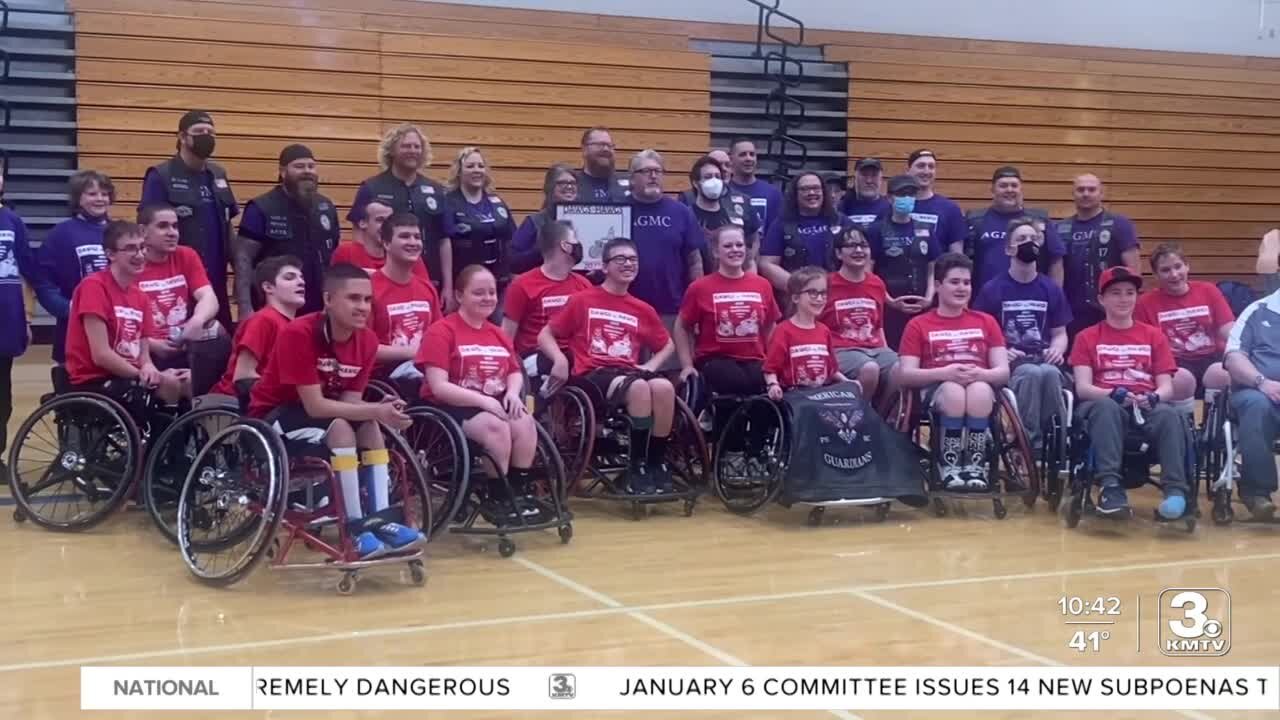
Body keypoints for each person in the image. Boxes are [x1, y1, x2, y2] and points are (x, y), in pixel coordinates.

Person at [247, 263, 421, 558]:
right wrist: (375, 410)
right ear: (328, 300)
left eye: (367, 300)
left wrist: (379, 410)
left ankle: (381, 524)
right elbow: (314, 406)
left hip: (325, 415)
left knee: (369, 425)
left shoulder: (366, 340)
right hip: (273, 417)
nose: (363, 307)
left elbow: (351, 401)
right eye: (353, 298)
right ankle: (355, 530)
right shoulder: (298, 333)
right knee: (343, 426)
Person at [538, 237, 678, 494]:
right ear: (605, 267)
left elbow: (668, 344)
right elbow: (545, 335)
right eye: (620, 259)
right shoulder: (582, 300)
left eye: (633, 259)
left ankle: (656, 463)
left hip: (628, 372)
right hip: (592, 375)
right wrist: (559, 359)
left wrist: (651, 365)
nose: (628, 264)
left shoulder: (642, 308)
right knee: (638, 389)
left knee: (664, 387)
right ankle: (636, 467)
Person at [418, 265, 540, 522]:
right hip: (451, 403)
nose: (487, 298)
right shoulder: (441, 331)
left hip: (494, 400)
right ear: (460, 296)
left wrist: (514, 394)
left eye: (492, 292)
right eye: (479, 292)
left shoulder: (497, 333)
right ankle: (497, 497)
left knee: (525, 423)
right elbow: (439, 385)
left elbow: (514, 371)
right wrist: (483, 401)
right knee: (496, 427)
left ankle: (517, 493)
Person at [1069, 266, 1188, 519]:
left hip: (1146, 406)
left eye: (1130, 293)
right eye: (1115, 293)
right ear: (1102, 299)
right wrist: (1114, 394)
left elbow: (1166, 386)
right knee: (1106, 407)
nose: (1124, 299)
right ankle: (1110, 487)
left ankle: (1176, 491)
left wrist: (1154, 397)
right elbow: (1083, 388)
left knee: (1169, 415)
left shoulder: (1153, 335)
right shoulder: (1086, 337)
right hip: (1103, 405)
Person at [898, 254, 1010, 491]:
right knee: (953, 391)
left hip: (980, 385)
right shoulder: (918, 325)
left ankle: (975, 464)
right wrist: (944, 373)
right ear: (938, 285)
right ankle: (948, 464)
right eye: (954, 282)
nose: (962, 288)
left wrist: (980, 374)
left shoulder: (986, 321)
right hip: (937, 389)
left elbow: (1002, 372)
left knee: (979, 390)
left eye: (966, 283)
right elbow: (906, 374)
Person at [973, 217, 1071, 451]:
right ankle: (1029, 444)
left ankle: (1055, 443)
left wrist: (1058, 348)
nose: (1029, 243)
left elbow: (1060, 333)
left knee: (1047, 373)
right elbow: (979, 335)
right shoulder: (992, 289)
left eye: (1034, 239)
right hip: (1011, 363)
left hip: (1043, 359)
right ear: (1009, 249)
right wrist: (1000, 352)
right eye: (1022, 239)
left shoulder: (1050, 288)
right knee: (1030, 373)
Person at [64, 220, 188, 404]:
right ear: (110, 254)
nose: (139, 255)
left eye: (142, 247)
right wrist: (141, 374)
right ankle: (164, 432)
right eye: (130, 249)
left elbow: (143, 354)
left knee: (188, 381)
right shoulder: (93, 287)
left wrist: (150, 369)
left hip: (129, 376)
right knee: (168, 385)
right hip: (95, 380)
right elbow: (101, 355)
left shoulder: (140, 296)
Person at [140, 110, 237, 330]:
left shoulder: (218, 174)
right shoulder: (160, 175)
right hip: (176, 283)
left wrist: (239, 273)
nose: (206, 136)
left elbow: (228, 226)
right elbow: (148, 229)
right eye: (199, 131)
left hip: (215, 280)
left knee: (218, 346)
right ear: (182, 137)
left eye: (210, 132)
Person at [234, 144, 340, 316]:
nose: (307, 171)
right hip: (275, 310)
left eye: (311, 166)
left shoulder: (326, 207)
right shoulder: (261, 207)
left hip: (319, 309)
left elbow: (333, 256)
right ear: (283, 172)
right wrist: (245, 308)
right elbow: (243, 260)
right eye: (299, 166)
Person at [675, 225, 779, 397]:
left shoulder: (762, 285)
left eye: (739, 245)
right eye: (728, 246)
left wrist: (773, 363)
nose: (735, 250)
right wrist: (687, 365)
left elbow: (770, 326)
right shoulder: (700, 287)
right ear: (716, 252)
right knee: (736, 382)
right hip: (716, 360)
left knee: (763, 389)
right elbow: (682, 327)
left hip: (755, 359)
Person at [349, 124, 448, 293]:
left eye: (417, 147)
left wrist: (448, 286)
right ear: (392, 150)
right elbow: (359, 235)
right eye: (406, 146)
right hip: (386, 279)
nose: (413, 151)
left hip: (430, 279)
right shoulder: (371, 187)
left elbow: (444, 240)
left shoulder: (436, 190)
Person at [1134, 244, 1233, 404]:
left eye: (1178, 266)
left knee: (1221, 373)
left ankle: (1213, 425)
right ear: (1156, 274)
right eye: (1165, 270)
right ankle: (1185, 425)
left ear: (1187, 266)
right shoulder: (1145, 303)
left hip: (1211, 356)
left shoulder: (1208, 290)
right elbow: (1145, 344)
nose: (1174, 274)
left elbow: (1227, 328)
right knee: (1180, 379)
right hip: (1173, 362)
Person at [36, 170, 113, 365]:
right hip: (74, 330)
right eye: (92, 193)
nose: (100, 199)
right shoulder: (60, 234)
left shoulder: (120, 231)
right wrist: (68, 309)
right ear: (78, 198)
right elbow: (44, 282)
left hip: (117, 327)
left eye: (104, 194)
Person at [209, 255, 306, 407]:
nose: (301, 282)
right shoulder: (263, 320)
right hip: (234, 405)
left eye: (301, 277)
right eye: (289, 278)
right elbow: (244, 377)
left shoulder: (296, 326)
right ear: (268, 287)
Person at [136, 203, 220, 372]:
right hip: (144, 349)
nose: (172, 233)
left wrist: (197, 320)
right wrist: (151, 345)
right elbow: (119, 324)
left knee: (218, 331)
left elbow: (208, 297)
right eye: (162, 226)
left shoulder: (186, 255)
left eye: (175, 226)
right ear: (143, 232)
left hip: (182, 340)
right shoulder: (132, 262)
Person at [501, 220, 591, 374]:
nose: (579, 246)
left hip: (574, 354)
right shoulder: (522, 285)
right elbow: (506, 336)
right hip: (534, 357)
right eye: (575, 241)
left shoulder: (584, 285)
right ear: (565, 246)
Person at [627, 149, 705, 325]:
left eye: (658, 171)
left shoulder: (681, 212)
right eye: (646, 171)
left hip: (672, 310)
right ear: (632, 178)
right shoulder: (618, 210)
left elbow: (695, 262)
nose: (653, 176)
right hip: (626, 309)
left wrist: (696, 303)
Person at [1058, 174, 1141, 336]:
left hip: (1108, 311)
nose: (1086, 193)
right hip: (1071, 312)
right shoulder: (1060, 228)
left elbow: (1134, 270)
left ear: (1101, 193)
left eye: (1092, 189)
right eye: (1080, 189)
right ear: (1073, 194)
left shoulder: (1119, 224)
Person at [820, 227, 898, 402]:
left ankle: (881, 417)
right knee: (869, 368)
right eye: (851, 246)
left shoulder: (877, 283)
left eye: (863, 245)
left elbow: (879, 327)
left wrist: (887, 350)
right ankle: (859, 417)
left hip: (875, 348)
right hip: (840, 350)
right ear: (839, 254)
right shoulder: (826, 283)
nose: (859, 250)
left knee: (901, 368)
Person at [864, 174, 941, 349]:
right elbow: (869, 272)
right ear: (890, 198)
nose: (907, 198)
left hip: (922, 303)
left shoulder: (925, 228)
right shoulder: (877, 230)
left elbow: (932, 267)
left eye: (911, 194)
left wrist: (929, 297)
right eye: (902, 194)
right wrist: (889, 300)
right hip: (889, 306)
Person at [1224, 284, 1280, 520]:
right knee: (1256, 405)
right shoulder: (1257, 311)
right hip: (1259, 391)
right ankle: (1257, 493)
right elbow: (1233, 358)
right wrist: (1262, 382)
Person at [964, 166, 1065, 290]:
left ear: (1021, 189)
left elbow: (1056, 260)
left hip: (1031, 298)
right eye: (1003, 186)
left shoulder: (1040, 220)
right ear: (992, 190)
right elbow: (963, 262)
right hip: (986, 299)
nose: (1009, 190)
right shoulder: (975, 220)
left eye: (1014, 185)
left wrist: (1055, 295)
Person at [371, 214, 442, 390]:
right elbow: (363, 348)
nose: (413, 242)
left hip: (424, 369)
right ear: (386, 243)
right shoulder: (368, 289)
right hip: (384, 377)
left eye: (417, 237)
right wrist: (417, 353)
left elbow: (440, 336)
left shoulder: (426, 288)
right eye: (404, 236)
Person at [0, 170, 39, 485]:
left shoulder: (13, 221)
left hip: (6, 321)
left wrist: (27, 317)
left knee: (2, 396)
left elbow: (28, 272)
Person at [442, 147, 513, 307]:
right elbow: (444, 244)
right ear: (459, 171)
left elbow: (510, 241)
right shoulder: (448, 203)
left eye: (480, 166)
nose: (477, 170)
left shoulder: (497, 203)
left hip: (498, 286)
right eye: (470, 166)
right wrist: (448, 287)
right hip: (463, 287)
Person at [764, 266, 849, 399]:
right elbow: (770, 369)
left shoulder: (824, 330)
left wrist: (848, 382)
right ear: (796, 298)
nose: (820, 298)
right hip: (794, 398)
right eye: (813, 293)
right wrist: (773, 385)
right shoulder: (783, 330)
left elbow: (832, 370)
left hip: (822, 396)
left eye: (823, 293)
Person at [759, 171, 852, 291]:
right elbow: (767, 264)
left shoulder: (842, 221)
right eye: (805, 189)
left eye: (816, 188)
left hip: (837, 293)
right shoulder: (781, 224)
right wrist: (800, 288)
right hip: (797, 299)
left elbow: (858, 257)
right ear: (795, 194)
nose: (811, 193)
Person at [685, 154, 761, 271]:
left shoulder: (736, 216)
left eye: (717, 176)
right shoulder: (686, 216)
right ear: (696, 183)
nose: (714, 181)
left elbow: (751, 249)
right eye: (708, 177)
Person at [331, 200, 428, 280]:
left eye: (389, 220)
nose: (385, 225)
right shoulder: (346, 252)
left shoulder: (406, 254)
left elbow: (422, 291)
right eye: (380, 220)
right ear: (363, 223)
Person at [510, 163, 578, 274]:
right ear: (549, 187)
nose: (569, 186)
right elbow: (513, 261)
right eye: (562, 183)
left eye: (573, 183)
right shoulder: (534, 222)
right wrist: (543, 250)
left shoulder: (588, 221)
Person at [904, 149, 967, 256]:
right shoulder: (896, 205)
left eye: (931, 166)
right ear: (908, 170)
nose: (926, 171)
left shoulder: (950, 209)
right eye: (921, 166)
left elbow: (957, 257)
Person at [727, 138, 784, 231]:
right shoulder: (723, 192)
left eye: (752, 154)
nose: (748, 158)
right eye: (742, 155)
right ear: (731, 159)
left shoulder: (773, 193)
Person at [574, 126, 630, 203]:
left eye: (610, 146)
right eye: (600, 145)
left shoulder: (630, 185)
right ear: (584, 149)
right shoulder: (572, 185)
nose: (606, 149)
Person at [838, 157, 890, 233]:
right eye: (864, 175)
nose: (869, 181)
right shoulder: (841, 208)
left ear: (881, 179)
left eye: (874, 175)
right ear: (854, 178)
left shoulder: (890, 209)